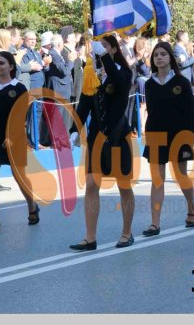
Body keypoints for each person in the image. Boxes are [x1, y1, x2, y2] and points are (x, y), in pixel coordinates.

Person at [70, 34, 136, 251]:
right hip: (96, 138)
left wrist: (105, 57)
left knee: (123, 185)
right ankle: (90, 237)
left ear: (114, 50)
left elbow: (119, 84)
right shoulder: (92, 73)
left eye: (104, 46)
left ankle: (126, 232)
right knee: (91, 185)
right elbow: (84, 104)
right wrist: (74, 130)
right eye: (97, 47)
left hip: (118, 136)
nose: (97, 50)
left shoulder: (123, 72)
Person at [141, 42, 194, 237]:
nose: (159, 57)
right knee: (157, 180)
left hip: (179, 135)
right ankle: (155, 223)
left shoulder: (181, 82)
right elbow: (151, 111)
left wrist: (188, 138)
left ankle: (191, 208)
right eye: (156, 55)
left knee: (181, 175)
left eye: (163, 54)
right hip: (156, 135)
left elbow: (190, 112)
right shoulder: (149, 83)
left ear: (170, 58)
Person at [0, 51, 40, 235]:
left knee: (19, 176)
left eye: (2, 63)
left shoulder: (19, 88)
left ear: (11, 66)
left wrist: (12, 136)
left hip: (15, 139)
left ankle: (32, 206)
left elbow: (21, 116)